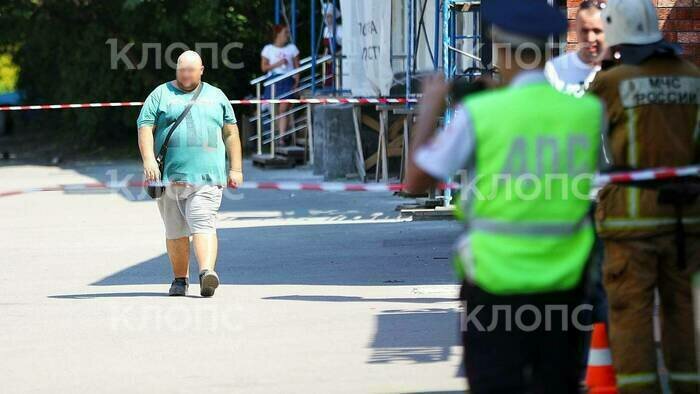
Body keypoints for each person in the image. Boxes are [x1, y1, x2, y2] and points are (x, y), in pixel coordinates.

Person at [405, 0, 605, 392]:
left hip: (495, 289)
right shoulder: (588, 113)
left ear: (499, 47)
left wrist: (428, 109)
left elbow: (415, 181)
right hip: (566, 287)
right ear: (548, 51)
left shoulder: (481, 112)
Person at [590, 0, 700, 392]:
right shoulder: (693, 77)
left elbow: (587, 143)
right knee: (683, 312)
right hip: (686, 222)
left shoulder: (611, 83)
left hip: (630, 225)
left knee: (630, 315)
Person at [137, 50, 243, 297]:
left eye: (190, 71)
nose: (185, 75)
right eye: (181, 70)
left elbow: (231, 133)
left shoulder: (217, 96)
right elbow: (145, 127)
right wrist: (149, 159)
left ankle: (207, 272)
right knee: (175, 232)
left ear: (201, 70)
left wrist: (235, 168)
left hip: (207, 178)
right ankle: (179, 280)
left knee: (202, 223)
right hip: (169, 178)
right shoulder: (160, 94)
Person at [545, 0, 605, 97]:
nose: (590, 38)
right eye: (584, 31)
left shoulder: (617, 69)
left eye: (597, 31)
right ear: (575, 29)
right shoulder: (554, 70)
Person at [261, 24, 300, 146]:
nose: (287, 36)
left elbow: (297, 67)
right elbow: (264, 67)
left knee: (284, 108)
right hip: (273, 80)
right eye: (285, 33)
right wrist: (278, 63)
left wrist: (296, 83)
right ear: (278, 34)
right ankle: (278, 136)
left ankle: (282, 138)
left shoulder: (292, 48)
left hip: (287, 80)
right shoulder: (268, 49)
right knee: (275, 110)